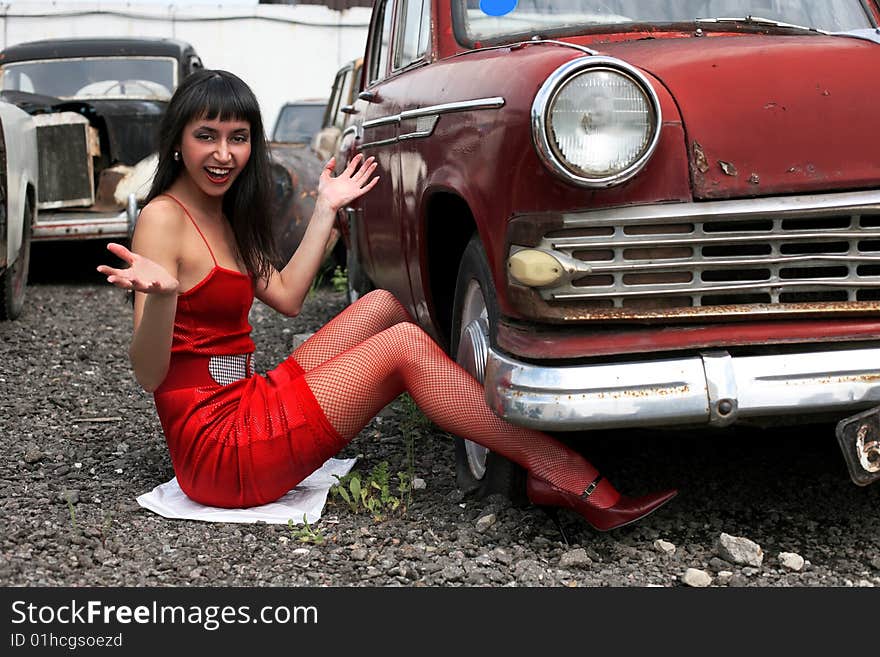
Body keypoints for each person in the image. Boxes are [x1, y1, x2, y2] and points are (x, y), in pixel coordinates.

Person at [97, 69, 676, 532]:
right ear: (178, 141)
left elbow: (289, 297)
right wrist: (167, 299)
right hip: (221, 451)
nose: (223, 154)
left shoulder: (222, 211)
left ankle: (468, 415)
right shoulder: (162, 220)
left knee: (382, 308)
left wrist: (327, 207)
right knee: (400, 347)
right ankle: (558, 467)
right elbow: (149, 372)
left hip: (250, 397)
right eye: (206, 136)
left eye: (238, 138)